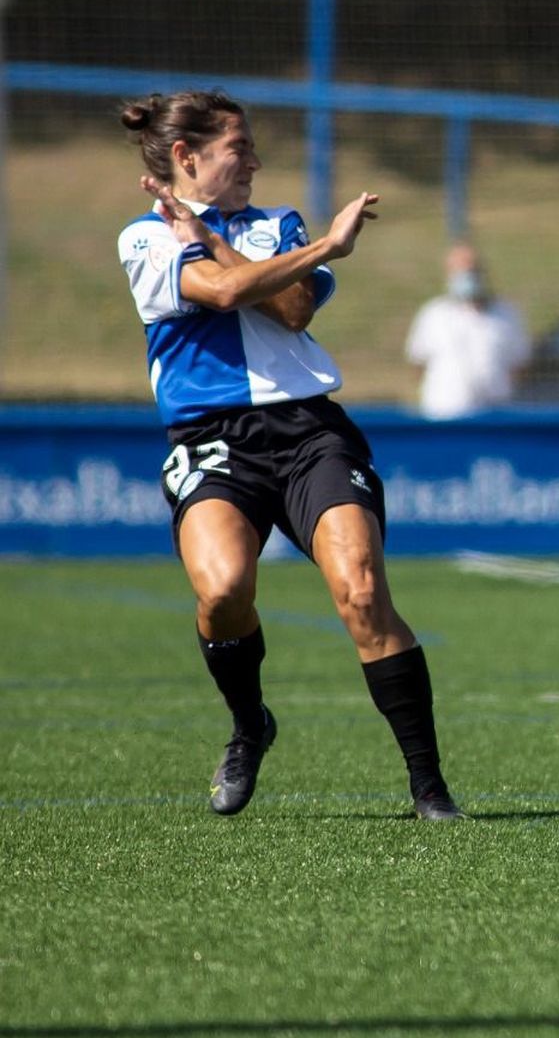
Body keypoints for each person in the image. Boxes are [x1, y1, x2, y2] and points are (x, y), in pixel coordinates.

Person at [116, 90, 463, 820]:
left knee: (363, 593)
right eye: (239, 149)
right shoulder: (143, 239)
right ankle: (250, 726)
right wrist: (328, 247)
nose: (256, 161)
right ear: (187, 157)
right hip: (210, 442)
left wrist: (211, 234)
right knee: (222, 592)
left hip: (309, 433)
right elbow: (221, 293)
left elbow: (293, 307)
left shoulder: (278, 225)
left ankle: (429, 787)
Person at [405, 242, 531, 420]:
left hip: (495, 413)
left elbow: (519, 363)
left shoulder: (506, 313)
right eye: (460, 271)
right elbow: (418, 362)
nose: (467, 277)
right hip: (444, 413)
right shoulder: (434, 314)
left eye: (472, 270)